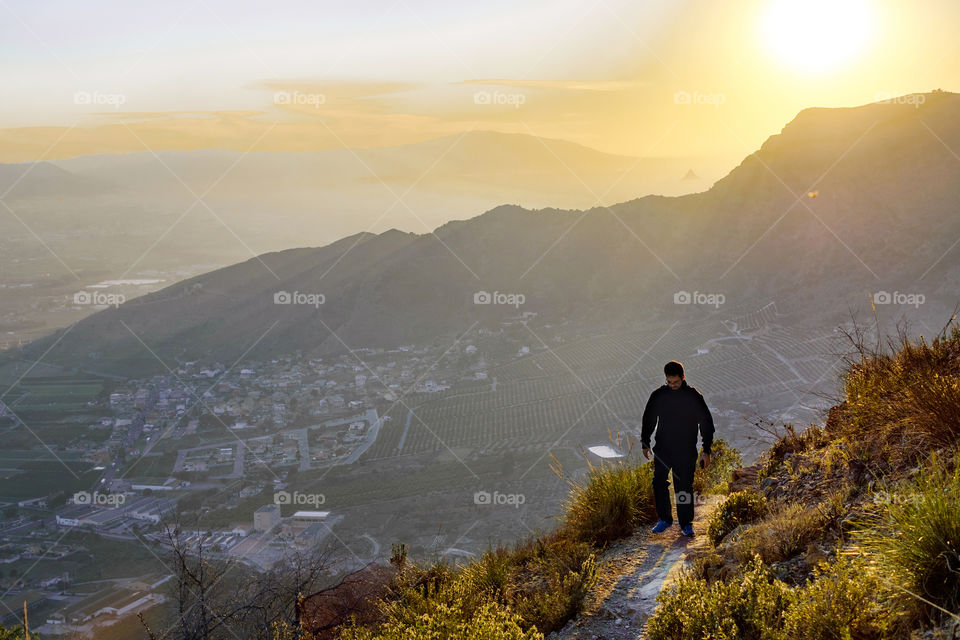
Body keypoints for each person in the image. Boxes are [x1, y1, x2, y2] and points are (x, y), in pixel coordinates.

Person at [641, 360, 714, 536]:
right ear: (666, 379)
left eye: (676, 382)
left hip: (686, 449)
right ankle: (665, 520)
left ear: (683, 377)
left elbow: (706, 423)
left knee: (684, 486)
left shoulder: (693, 396)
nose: (673, 385)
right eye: (669, 382)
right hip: (663, 448)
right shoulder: (659, 395)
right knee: (659, 482)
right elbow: (649, 418)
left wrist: (706, 450)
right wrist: (645, 442)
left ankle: (686, 524)